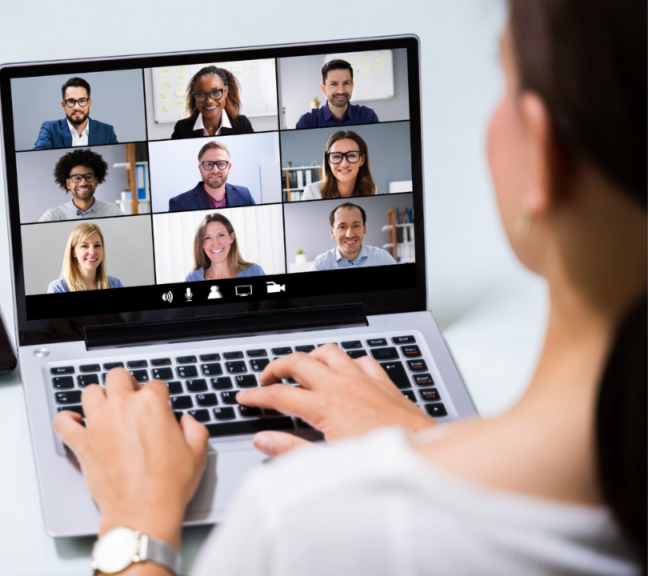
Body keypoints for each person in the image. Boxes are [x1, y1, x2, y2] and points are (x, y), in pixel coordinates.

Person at [51, 0, 646, 573]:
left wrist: (135, 515)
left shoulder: (293, 522)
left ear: (543, 157)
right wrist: (428, 443)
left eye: (505, 80)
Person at [38, 148, 123, 222]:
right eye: (77, 178)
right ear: (68, 184)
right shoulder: (54, 216)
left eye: (89, 177)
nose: (83, 183)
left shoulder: (112, 211)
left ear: (96, 182)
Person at [33, 77, 119, 150]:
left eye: (82, 101)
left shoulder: (107, 131)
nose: (77, 107)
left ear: (89, 104)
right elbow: (37, 154)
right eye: (71, 101)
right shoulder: (50, 129)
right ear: (64, 105)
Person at [168, 141, 256, 212]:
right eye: (208, 164)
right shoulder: (179, 204)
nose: (215, 170)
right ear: (200, 169)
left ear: (229, 167)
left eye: (221, 164)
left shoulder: (245, 195)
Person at [171, 66, 254, 139]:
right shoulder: (181, 129)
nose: (209, 101)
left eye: (215, 92)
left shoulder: (242, 124)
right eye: (201, 94)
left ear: (225, 92)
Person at [295, 58, 379, 129]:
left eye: (346, 83)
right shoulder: (307, 122)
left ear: (352, 86)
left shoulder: (368, 116)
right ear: (323, 88)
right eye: (334, 84)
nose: (341, 91)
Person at [310, 202, 396, 270]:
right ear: (332, 232)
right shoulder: (321, 264)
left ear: (364, 229)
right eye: (342, 227)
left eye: (356, 226)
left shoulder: (383, 259)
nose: (349, 234)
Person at [183, 213, 265, 282]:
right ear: (202, 244)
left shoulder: (255, 272)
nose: (215, 243)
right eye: (207, 237)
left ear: (232, 237)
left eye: (221, 235)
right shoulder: (192, 279)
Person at [46, 222, 124, 293]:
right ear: (73, 252)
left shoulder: (116, 284)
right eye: (84, 246)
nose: (92, 252)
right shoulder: (58, 288)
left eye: (97, 245)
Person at [303, 130, 375, 200]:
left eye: (351, 156)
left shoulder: (371, 191)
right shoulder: (312, 192)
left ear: (362, 159)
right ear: (328, 161)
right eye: (336, 156)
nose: (344, 164)